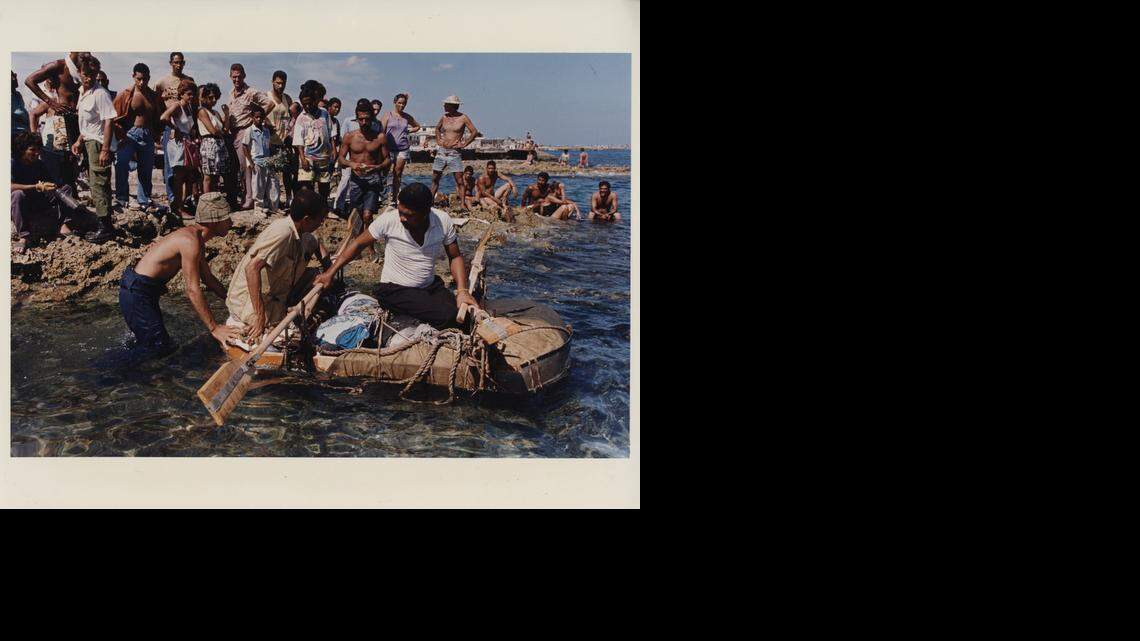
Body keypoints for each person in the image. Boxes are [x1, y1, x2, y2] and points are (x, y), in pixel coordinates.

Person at [313, 182, 479, 330]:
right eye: (400, 212)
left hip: (428, 287)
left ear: (426, 212)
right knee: (448, 316)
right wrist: (330, 273)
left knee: (465, 316)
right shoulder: (389, 220)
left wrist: (463, 290)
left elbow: (455, 256)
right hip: (394, 290)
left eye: (408, 215)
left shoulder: (443, 221)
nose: (402, 218)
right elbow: (358, 244)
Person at [118, 192, 239, 361]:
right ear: (215, 221)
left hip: (142, 290)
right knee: (158, 348)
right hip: (137, 291)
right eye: (227, 218)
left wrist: (235, 304)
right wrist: (214, 329)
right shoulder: (190, 242)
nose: (231, 223)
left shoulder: (196, 239)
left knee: (159, 345)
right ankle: (112, 375)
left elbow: (209, 280)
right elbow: (192, 290)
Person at [225, 189, 331, 343]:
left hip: (278, 294)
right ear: (307, 220)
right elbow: (251, 269)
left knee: (315, 275)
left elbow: (316, 243)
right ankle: (263, 320)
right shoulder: (283, 233)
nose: (321, 223)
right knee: (287, 340)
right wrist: (260, 318)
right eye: (320, 220)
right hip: (248, 302)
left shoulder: (302, 233)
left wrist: (330, 267)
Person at [10, 132, 96, 252]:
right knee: (17, 194)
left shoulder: (38, 164)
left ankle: (63, 224)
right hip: (22, 203)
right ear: (22, 150)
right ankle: (24, 236)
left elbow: (50, 181)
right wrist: (35, 186)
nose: (36, 153)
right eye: (32, 150)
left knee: (66, 188)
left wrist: (51, 186)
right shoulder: (13, 164)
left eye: (38, 150)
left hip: (39, 200)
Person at [24, 52, 93, 191]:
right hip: (59, 123)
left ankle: (70, 200)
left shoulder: (83, 67)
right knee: (56, 167)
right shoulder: (59, 66)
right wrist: (50, 102)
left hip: (76, 122)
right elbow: (29, 81)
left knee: (72, 164)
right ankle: (56, 204)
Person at [334, 98, 391, 261]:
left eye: (367, 118)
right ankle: (358, 247)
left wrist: (377, 167)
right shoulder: (350, 137)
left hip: (373, 179)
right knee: (357, 214)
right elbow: (340, 159)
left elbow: (388, 160)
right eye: (361, 119)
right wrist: (353, 164)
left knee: (367, 215)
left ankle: (371, 249)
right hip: (356, 180)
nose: (364, 122)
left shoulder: (380, 137)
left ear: (372, 118)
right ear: (356, 118)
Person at [71, 56, 120, 243]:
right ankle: (105, 224)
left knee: (99, 185)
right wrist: (78, 141)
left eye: (92, 75)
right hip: (89, 142)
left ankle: (106, 228)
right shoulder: (82, 92)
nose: (89, 78)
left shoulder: (100, 94)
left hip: (99, 144)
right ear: (80, 74)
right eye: (86, 74)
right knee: (95, 184)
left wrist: (105, 149)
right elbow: (88, 124)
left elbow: (109, 121)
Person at [112, 63, 162, 213]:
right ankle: (121, 198)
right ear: (133, 76)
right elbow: (112, 117)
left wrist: (156, 134)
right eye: (139, 79)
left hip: (147, 134)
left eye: (145, 79)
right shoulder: (126, 94)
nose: (142, 82)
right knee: (121, 164)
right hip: (130, 133)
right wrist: (120, 133)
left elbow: (158, 117)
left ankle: (144, 199)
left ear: (149, 78)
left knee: (146, 169)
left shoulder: (153, 96)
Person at [223, 63, 272, 210]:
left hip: (245, 131)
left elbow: (269, 103)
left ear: (244, 76)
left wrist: (255, 119)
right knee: (238, 168)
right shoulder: (231, 93)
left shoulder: (251, 92)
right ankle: (244, 196)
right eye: (234, 77)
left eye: (239, 76)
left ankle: (250, 199)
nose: (236, 79)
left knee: (247, 167)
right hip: (233, 133)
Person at [154, 52, 195, 205]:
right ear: (171, 63)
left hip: (186, 126)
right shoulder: (162, 82)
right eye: (176, 62)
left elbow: (194, 105)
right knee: (171, 166)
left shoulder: (188, 80)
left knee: (187, 167)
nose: (178, 65)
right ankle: (173, 200)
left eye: (181, 62)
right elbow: (156, 104)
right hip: (170, 126)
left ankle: (185, 200)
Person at [159, 79, 199, 220]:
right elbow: (164, 117)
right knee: (178, 177)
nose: (191, 97)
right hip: (178, 144)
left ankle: (181, 205)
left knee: (188, 176)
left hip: (187, 143)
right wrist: (176, 129)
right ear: (181, 94)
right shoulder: (177, 106)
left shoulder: (188, 108)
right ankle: (177, 208)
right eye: (189, 94)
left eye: (193, 94)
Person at [430, 95, 479, 206]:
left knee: (459, 180)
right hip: (442, 151)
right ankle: (430, 202)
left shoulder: (463, 117)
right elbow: (437, 128)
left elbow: (474, 131)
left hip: (454, 153)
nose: (444, 105)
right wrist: (439, 140)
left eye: (446, 104)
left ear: (452, 105)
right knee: (435, 178)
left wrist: (464, 144)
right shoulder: (444, 117)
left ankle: (462, 204)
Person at [291, 79, 334, 199]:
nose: (307, 106)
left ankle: (323, 210)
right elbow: (299, 142)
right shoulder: (301, 118)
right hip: (308, 157)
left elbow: (330, 134)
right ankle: (309, 210)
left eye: (310, 103)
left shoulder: (324, 113)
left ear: (315, 100)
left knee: (324, 185)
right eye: (304, 104)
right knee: (305, 186)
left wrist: (333, 152)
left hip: (324, 157)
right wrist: (303, 159)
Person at [380, 92, 422, 206]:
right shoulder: (387, 115)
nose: (401, 105)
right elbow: (381, 132)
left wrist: (408, 131)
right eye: (399, 103)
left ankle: (394, 198)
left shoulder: (406, 117)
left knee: (397, 173)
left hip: (402, 148)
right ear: (394, 102)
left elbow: (417, 126)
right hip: (388, 148)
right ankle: (382, 197)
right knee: (384, 172)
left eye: (404, 103)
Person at [263, 70, 296, 208]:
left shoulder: (287, 98)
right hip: (269, 140)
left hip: (284, 140)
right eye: (278, 83)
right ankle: (269, 201)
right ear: (272, 82)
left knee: (287, 172)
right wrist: (267, 124)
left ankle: (289, 198)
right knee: (269, 173)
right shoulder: (266, 96)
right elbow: (259, 114)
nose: (280, 86)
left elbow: (293, 115)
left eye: (283, 83)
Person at [195, 83, 231, 196]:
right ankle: (206, 200)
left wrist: (227, 115)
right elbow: (213, 130)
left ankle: (214, 199)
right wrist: (220, 133)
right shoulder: (202, 111)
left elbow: (225, 130)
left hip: (219, 145)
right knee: (208, 176)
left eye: (215, 97)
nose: (214, 100)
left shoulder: (215, 113)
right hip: (209, 144)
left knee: (216, 176)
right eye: (210, 97)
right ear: (204, 97)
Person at [245, 104, 280, 213]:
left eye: (261, 117)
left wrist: (274, 158)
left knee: (272, 184)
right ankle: (258, 208)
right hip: (257, 161)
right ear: (252, 117)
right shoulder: (249, 130)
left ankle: (274, 207)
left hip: (267, 160)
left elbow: (268, 145)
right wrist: (250, 162)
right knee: (258, 185)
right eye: (257, 117)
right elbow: (245, 146)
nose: (259, 119)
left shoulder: (266, 131)